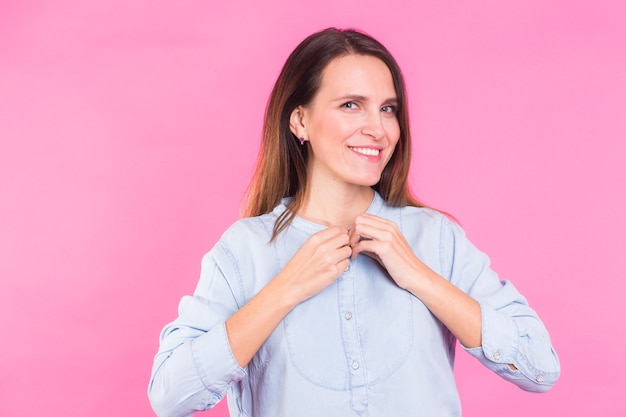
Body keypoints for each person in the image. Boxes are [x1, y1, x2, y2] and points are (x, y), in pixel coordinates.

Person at [148, 28, 560, 417]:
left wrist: (419, 276)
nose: (378, 129)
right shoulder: (246, 249)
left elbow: (540, 367)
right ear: (300, 121)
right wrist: (285, 289)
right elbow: (170, 395)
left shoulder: (435, 238)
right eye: (351, 105)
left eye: (388, 109)